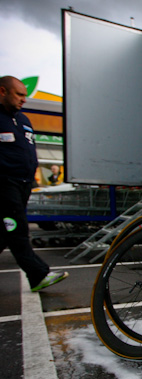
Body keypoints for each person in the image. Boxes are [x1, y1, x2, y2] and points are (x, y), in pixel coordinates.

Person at [0, 76, 68, 291]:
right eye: (19, 94)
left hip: (24, 184)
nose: (24, 99)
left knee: (4, 232)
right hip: (4, 183)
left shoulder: (23, 120)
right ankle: (38, 274)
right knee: (18, 229)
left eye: (25, 95)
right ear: (3, 91)